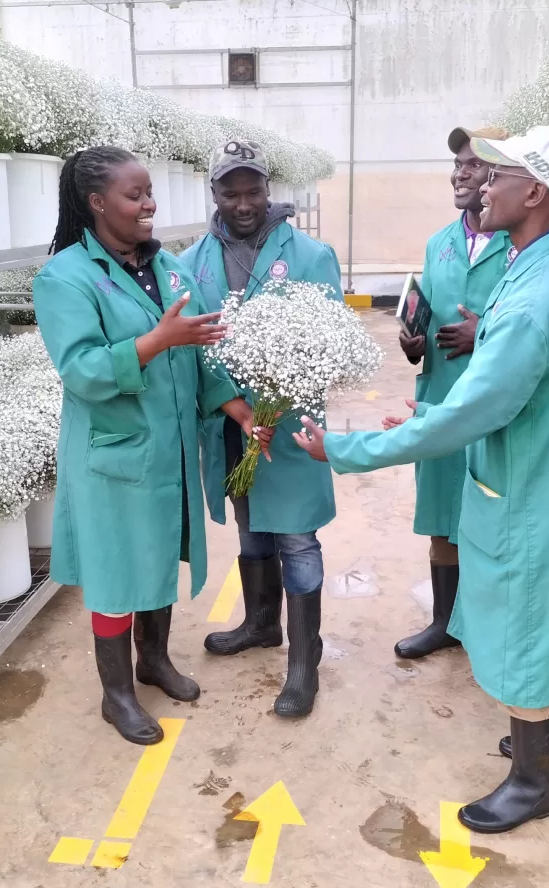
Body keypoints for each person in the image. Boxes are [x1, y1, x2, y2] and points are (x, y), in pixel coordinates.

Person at [292, 127, 549, 833]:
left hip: (527, 490)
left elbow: (469, 414)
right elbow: (493, 392)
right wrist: (438, 403)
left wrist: (346, 447)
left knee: (526, 631)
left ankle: (532, 781)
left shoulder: (535, 295)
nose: (480, 185)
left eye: (497, 175)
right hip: (548, 473)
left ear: (535, 191)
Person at [34, 146, 272, 747]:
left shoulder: (165, 267)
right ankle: (117, 695)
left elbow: (200, 347)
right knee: (118, 569)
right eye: (134, 195)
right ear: (96, 203)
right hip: (113, 455)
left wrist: (235, 406)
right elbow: (82, 370)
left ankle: (154, 660)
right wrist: (154, 341)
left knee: (160, 552)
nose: (149, 204)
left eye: (148, 193)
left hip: (166, 447)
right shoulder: (66, 276)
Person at [181, 139, 344, 718]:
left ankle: (304, 663)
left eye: (254, 191)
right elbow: (191, 344)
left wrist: (271, 409)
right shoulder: (192, 262)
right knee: (251, 523)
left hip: (289, 421)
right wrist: (237, 408)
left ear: (269, 191)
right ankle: (259, 623)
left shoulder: (309, 254)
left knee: (296, 535)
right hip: (230, 423)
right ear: (215, 194)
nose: (244, 202)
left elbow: (325, 336)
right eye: (232, 192)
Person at [389, 126, 514, 660]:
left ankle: (486, 629)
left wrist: (481, 330)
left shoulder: (520, 243)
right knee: (442, 514)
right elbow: (424, 332)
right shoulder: (439, 243)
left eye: (472, 163)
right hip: (438, 399)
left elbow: (533, 323)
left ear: (501, 176)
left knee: (492, 518)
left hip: (494, 410)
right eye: (456, 164)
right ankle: (446, 624)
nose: (460, 173)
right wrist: (413, 343)